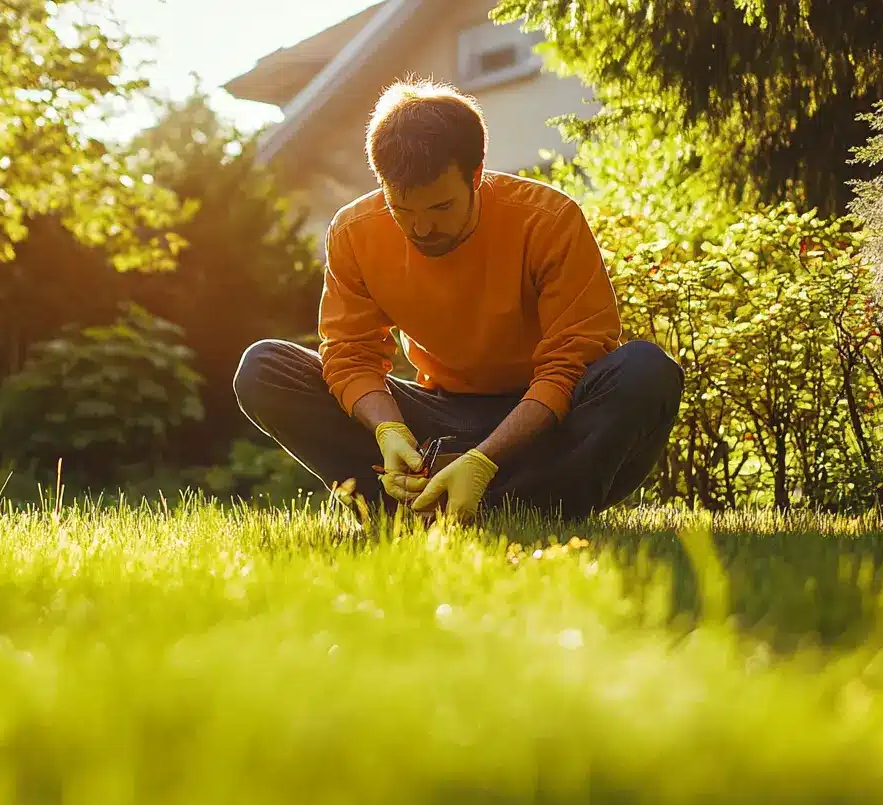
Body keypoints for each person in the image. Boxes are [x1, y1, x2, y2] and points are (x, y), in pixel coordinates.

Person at [233, 79, 683, 522]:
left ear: (476, 175)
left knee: (645, 371)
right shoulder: (354, 231)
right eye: (401, 211)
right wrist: (389, 431)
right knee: (265, 368)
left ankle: (518, 505)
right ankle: (407, 501)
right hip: (441, 415)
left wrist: (484, 460)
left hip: (544, 418)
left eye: (441, 208)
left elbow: (571, 363)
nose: (421, 229)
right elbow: (350, 355)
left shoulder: (549, 221)